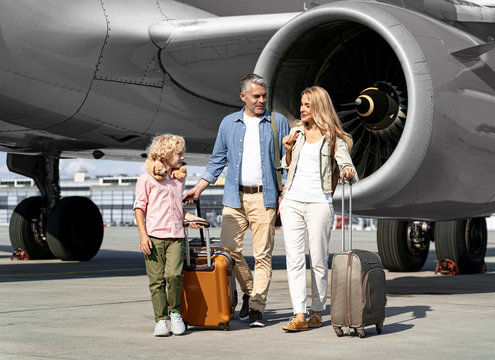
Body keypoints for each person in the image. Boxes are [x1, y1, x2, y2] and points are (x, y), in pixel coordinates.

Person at [183, 74, 289, 327]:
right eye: (256, 96)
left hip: (266, 197)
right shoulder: (229, 123)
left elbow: (287, 160)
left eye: (264, 96)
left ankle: (256, 308)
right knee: (229, 251)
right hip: (235, 196)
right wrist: (199, 187)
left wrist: (285, 194)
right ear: (243, 97)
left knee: (263, 255)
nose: (262, 100)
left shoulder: (277, 122)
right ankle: (251, 292)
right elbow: (218, 159)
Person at [279, 86, 358, 332]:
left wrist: (347, 171)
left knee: (319, 260)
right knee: (294, 259)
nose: (301, 109)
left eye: (307, 105)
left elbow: (348, 168)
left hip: (319, 202)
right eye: (301, 104)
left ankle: (317, 311)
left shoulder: (334, 137)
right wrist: (288, 150)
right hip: (291, 200)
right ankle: (299, 314)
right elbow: (287, 166)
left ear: (319, 107)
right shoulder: (297, 133)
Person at [134, 134, 205, 337]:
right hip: (154, 237)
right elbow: (139, 208)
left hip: (176, 236)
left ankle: (175, 312)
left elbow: (177, 208)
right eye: (179, 153)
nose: (182, 157)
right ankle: (161, 320)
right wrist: (143, 235)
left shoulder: (178, 181)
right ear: (165, 154)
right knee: (156, 281)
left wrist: (190, 218)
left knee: (173, 276)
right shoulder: (145, 180)